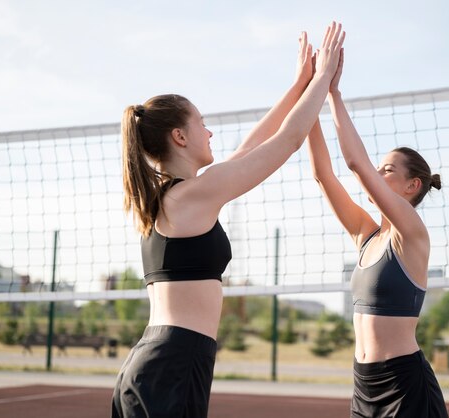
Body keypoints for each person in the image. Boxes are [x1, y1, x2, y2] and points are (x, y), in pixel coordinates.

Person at [112, 22, 345, 418]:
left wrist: (299, 86)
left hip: (165, 362)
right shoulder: (191, 195)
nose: (210, 132)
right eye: (201, 123)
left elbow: (249, 149)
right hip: (172, 364)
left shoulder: (181, 196)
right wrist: (323, 79)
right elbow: (287, 141)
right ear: (179, 137)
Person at [306, 49, 449, 418]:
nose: (377, 172)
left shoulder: (412, 234)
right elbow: (324, 174)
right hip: (363, 385)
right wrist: (309, 96)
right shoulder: (366, 237)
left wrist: (333, 93)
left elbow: (356, 165)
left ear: (411, 186)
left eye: (387, 169)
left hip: (405, 386)